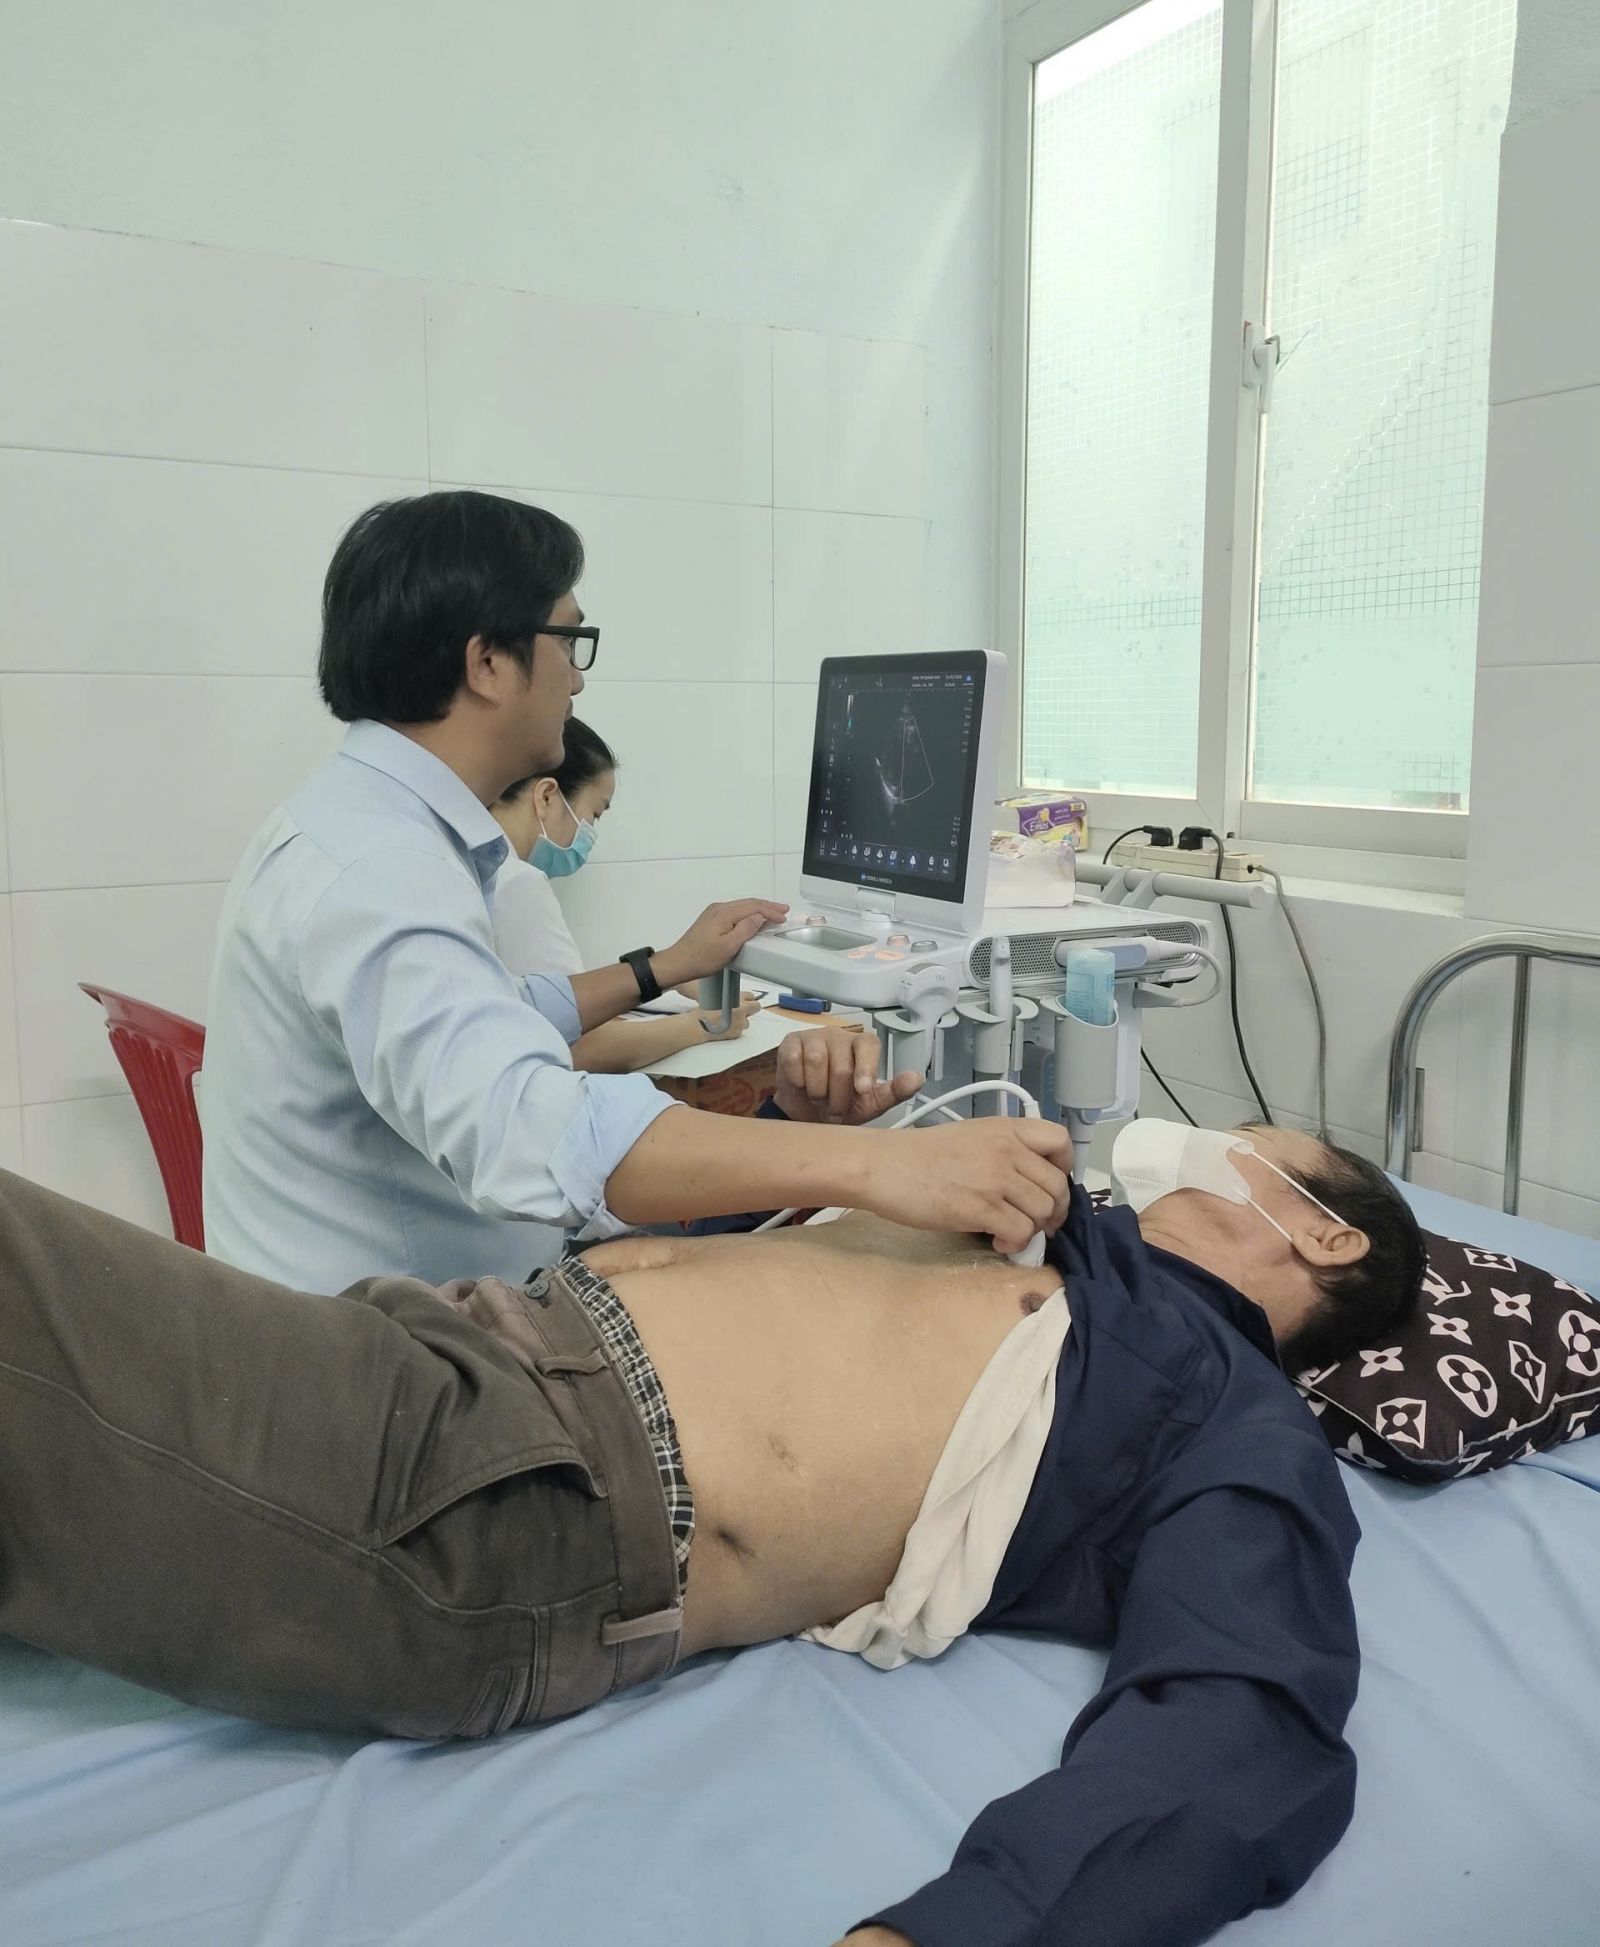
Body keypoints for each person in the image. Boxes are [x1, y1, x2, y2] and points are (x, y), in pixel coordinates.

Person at [0, 1102, 1426, 1947]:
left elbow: (1243, 1718)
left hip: (497, 1492)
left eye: (1242, 1148)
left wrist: (949, 1931)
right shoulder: (1041, 1225)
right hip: (458, 1345)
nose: (1195, 1145)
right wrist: (832, 1138)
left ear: (1323, 1232)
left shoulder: (1227, 1409)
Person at [200, 490, 1069, 1291]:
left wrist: (673, 980)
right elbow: (537, 1134)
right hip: (417, 1359)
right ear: (488, 662)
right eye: (568, 641)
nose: (578, 679)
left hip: (428, 1298)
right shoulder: (379, 870)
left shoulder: (358, 825)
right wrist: (894, 1166)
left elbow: (497, 1010)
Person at [488, 718, 764, 1072]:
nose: (590, 833)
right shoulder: (516, 882)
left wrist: (668, 976)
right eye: (594, 815)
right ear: (546, 797)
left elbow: (537, 998)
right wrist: (706, 1024)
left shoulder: (477, 870)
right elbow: (581, 1045)